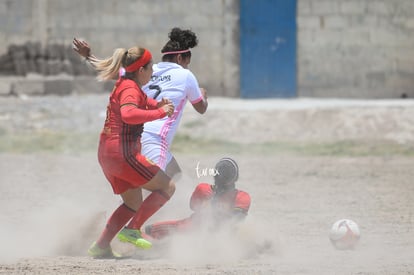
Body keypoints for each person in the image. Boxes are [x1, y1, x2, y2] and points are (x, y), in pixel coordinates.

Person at [73, 27, 208, 179]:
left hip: (132, 137)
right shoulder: (186, 75)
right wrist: (202, 96)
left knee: (174, 174)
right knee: (161, 188)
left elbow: (109, 70)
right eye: (187, 62)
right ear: (179, 59)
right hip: (155, 139)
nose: (187, 66)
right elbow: (201, 108)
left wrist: (88, 56)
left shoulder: (145, 70)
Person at [86, 45, 176, 258]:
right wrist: (160, 113)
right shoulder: (130, 88)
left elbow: (143, 103)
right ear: (141, 70)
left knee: (132, 202)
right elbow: (128, 113)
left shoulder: (127, 83)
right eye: (150, 67)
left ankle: (101, 246)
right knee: (168, 186)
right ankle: (132, 229)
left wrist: (158, 105)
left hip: (107, 154)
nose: (153, 71)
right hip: (122, 154)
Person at [144, 157, 251, 240]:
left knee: (151, 231)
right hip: (196, 230)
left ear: (214, 175)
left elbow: (193, 207)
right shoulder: (242, 196)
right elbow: (237, 218)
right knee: (151, 230)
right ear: (235, 178)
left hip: (193, 229)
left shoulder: (203, 189)